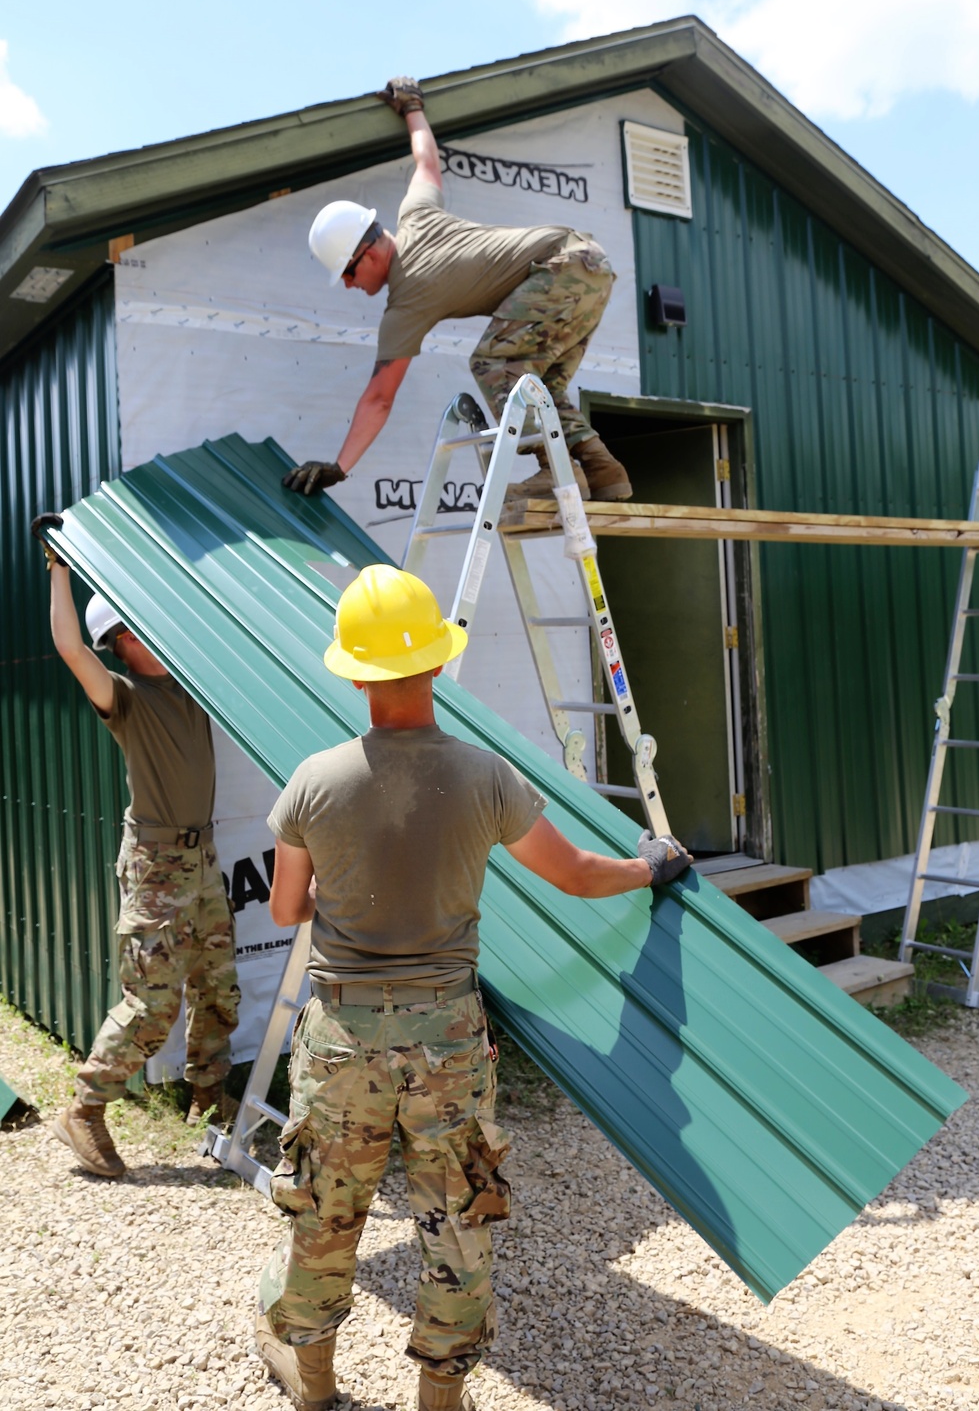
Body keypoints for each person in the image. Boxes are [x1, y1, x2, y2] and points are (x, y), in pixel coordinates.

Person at [254, 564, 690, 1411]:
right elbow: (576, 876)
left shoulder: (312, 780)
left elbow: (286, 906)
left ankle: (311, 1381)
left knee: (324, 1212)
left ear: (352, 671)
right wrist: (653, 865)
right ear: (436, 664)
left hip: (341, 1037)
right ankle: (441, 1397)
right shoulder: (486, 778)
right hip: (447, 1039)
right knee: (458, 1218)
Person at [282, 74, 634, 506]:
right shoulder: (416, 213)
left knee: (493, 362)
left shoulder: (407, 300)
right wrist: (413, 108)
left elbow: (378, 399)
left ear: (368, 255)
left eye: (348, 275)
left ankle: (555, 473)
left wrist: (339, 467)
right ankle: (602, 469)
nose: (350, 286)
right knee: (538, 384)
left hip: (559, 270)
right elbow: (427, 161)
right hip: (590, 263)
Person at [33, 516, 241, 1179]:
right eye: (136, 630)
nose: (153, 637)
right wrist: (60, 567)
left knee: (217, 987)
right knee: (152, 1002)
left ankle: (207, 1095)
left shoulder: (191, 684)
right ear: (118, 644)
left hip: (202, 856)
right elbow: (70, 650)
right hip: (157, 864)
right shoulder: (124, 697)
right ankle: (86, 1111)